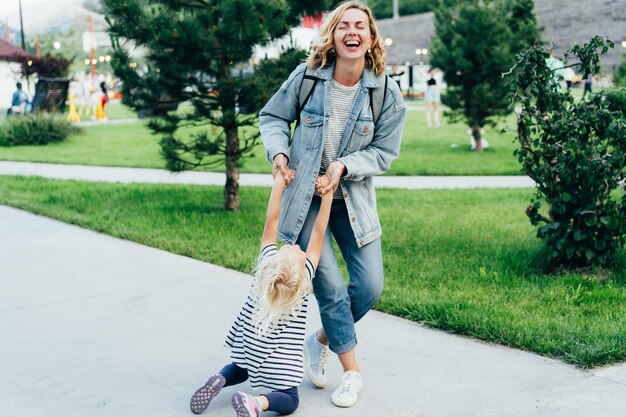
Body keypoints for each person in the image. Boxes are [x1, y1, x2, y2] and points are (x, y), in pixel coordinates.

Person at [258, 1, 406, 408]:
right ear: (334, 35)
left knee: (371, 286)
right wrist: (278, 154)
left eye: (361, 26)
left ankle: (321, 338)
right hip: (304, 200)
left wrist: (344, 164)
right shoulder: (307, 78)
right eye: (344, 26)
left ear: (371, 37)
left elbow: (384, 153)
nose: (352, 32)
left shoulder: (385, 93)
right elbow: (272, 117)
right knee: (333, 291)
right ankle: (352, 373)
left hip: (352, 201)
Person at [189, 173, 334, 417]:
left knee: (240, 368)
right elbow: (318, 234)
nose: (297, 246)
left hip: (248, 346)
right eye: (298, 250)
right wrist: (327, 196)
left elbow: (272, 221)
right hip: (277, 360)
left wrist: (278, 184)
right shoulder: (300, 287)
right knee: (290, 399)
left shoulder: (265, 269)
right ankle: (257, 403)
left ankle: (220, 379)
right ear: (301, 278)